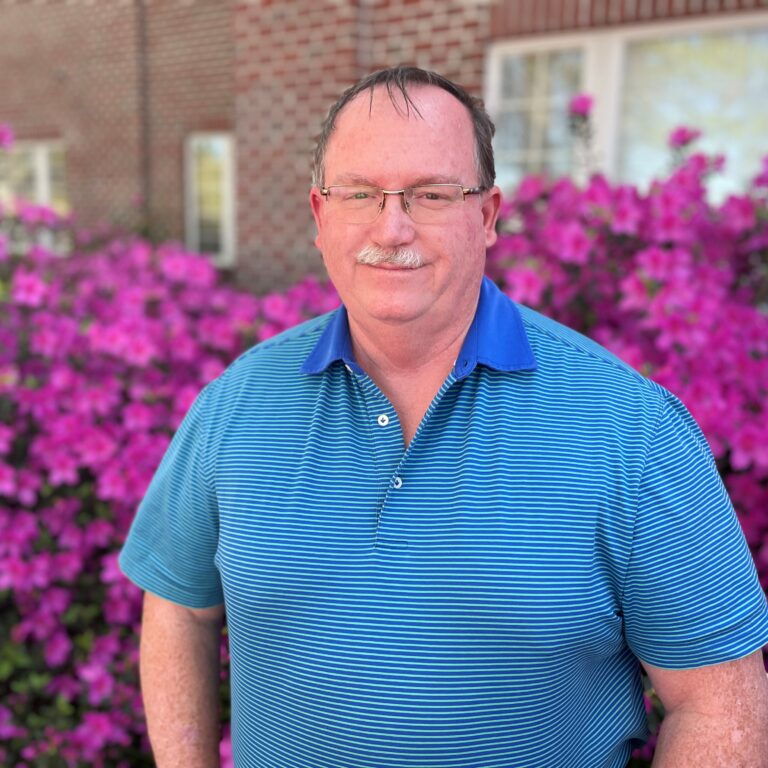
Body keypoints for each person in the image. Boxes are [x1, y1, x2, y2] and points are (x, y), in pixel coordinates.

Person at [120, 66, 768, 768]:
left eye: (430, 194)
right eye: (360, 193)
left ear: (487, 215)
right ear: (319, 214)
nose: (390, 227)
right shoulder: (236, 403)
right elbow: (180, 609)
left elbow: (720, 698)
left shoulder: (632, 429)